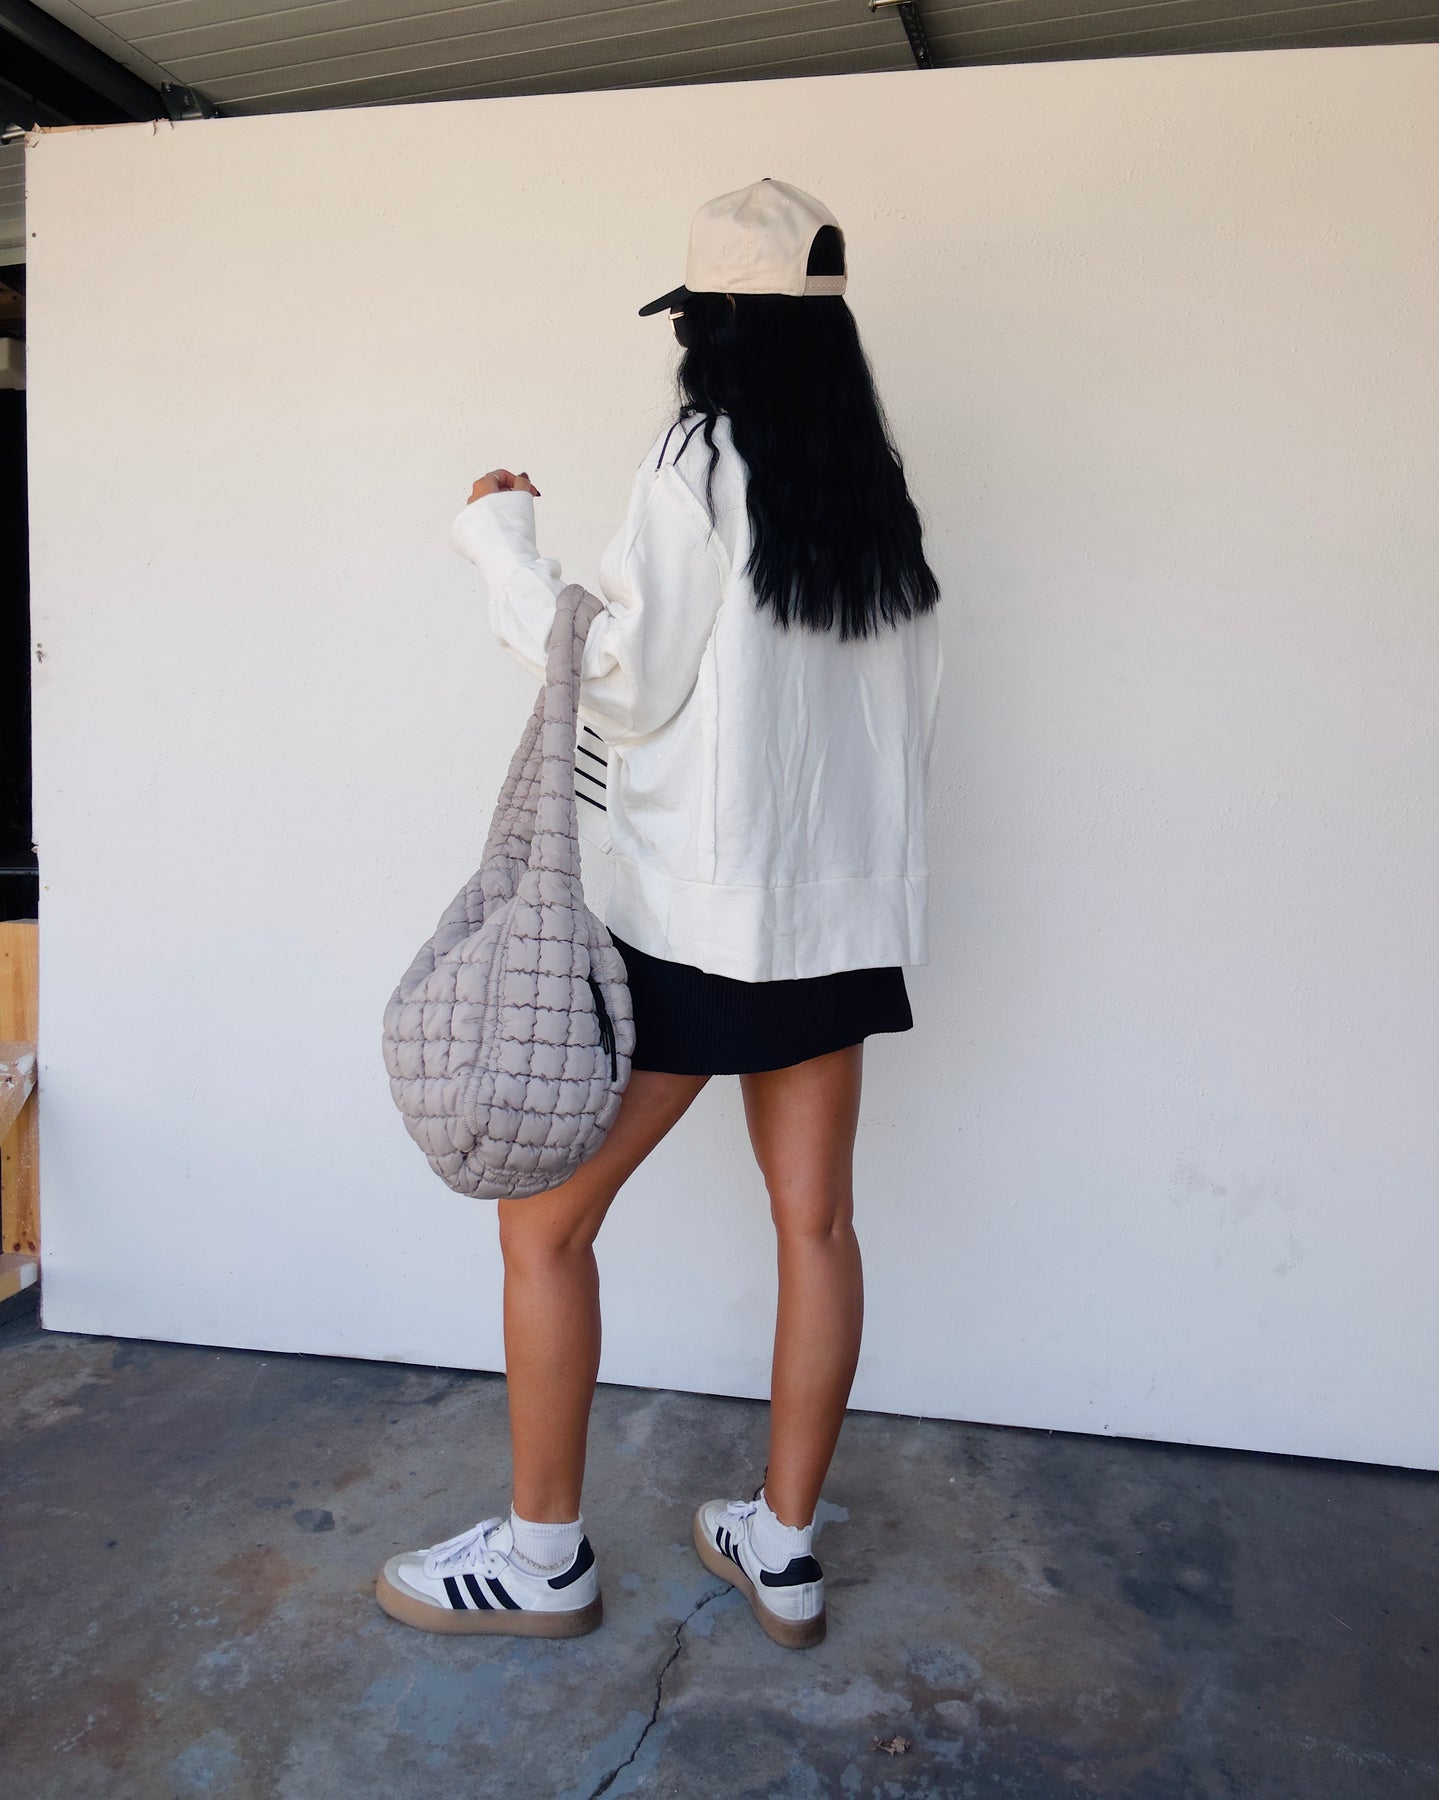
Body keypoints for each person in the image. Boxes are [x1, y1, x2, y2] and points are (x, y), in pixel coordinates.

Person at [376, 178, 944, 1651]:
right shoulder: (870, 488)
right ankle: (785, 1547)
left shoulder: (703, 457)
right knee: (819, 1226)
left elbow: (619, 682)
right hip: (836, 924)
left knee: (542, 1230)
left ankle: (544, 1556)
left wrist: (501, 541)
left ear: (710, 325)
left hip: (703, 924)